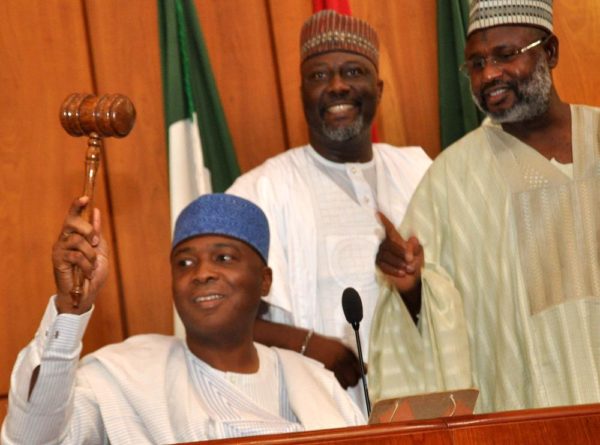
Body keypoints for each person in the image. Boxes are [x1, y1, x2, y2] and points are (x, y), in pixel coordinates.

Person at [369, 0, 600, 414]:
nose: (489, 74)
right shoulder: (452, 178)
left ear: (550, 51)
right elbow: (429, 316)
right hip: (527, 414)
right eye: (475, 63)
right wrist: (411, 287)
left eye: (505, 55)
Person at [1, 194, 364, 444]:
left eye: (224, 258)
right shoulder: (124, 375)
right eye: (185, 262)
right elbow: (32, 439)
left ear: (264, 281)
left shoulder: (316, 381)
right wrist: (70, 309)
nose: (201, 273)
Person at [227, 10, 431, 409]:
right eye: (319, 76)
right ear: (301, 92)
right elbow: (220, 319)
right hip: (315, 412)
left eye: (354, 72)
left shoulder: (421, 172)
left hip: (424, 403)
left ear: (380, 88)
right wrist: (313, 345)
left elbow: (466, 300)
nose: (337, 86)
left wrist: (413, 281)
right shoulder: (258, 191)